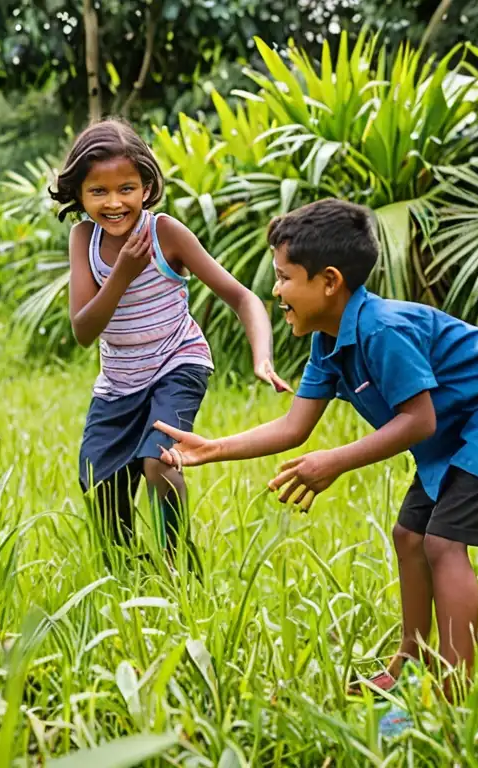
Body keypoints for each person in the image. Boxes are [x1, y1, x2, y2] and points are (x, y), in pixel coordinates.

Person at [155, 198, 478, 695]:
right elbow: (294, 428)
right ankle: (410, 662)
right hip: (462, 426)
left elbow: (418, 420)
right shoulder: (328, 339)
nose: (276, 290)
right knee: (410, 537)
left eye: (285, 277)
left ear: (329, 282)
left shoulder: (381, 329)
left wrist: (336, 462)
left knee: (442, 542)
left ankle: (455, 692)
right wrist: (214, 448)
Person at [51, 118, 288, 569]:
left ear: (146, 186)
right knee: (97, 482)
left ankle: (179, 562)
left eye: (126, 188)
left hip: (178, 363)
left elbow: (242, 297)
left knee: (159, 461)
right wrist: (121, 274)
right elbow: (83, 331)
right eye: (98, 192)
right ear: (79, 194)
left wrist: (263, 356)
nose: (115, 202)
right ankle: (128, 569)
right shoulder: (83, 238)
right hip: (119, 381)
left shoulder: (166, 234)